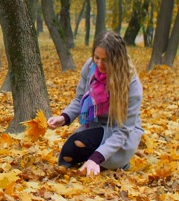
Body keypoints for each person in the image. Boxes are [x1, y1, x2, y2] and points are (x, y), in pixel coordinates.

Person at [47, 31, 143, 176]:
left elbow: (123, 130)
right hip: (95, 125)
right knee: (68, 154)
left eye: (106, 60)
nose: (99, 63)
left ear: (117, 59)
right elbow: (80, 98)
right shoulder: (90, 67)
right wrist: (64, 117)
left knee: (83, 146)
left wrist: (96, 158)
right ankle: (100, 158)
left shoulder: (131, 84)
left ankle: (117, 161)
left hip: (120, 133)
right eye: (96, 57)